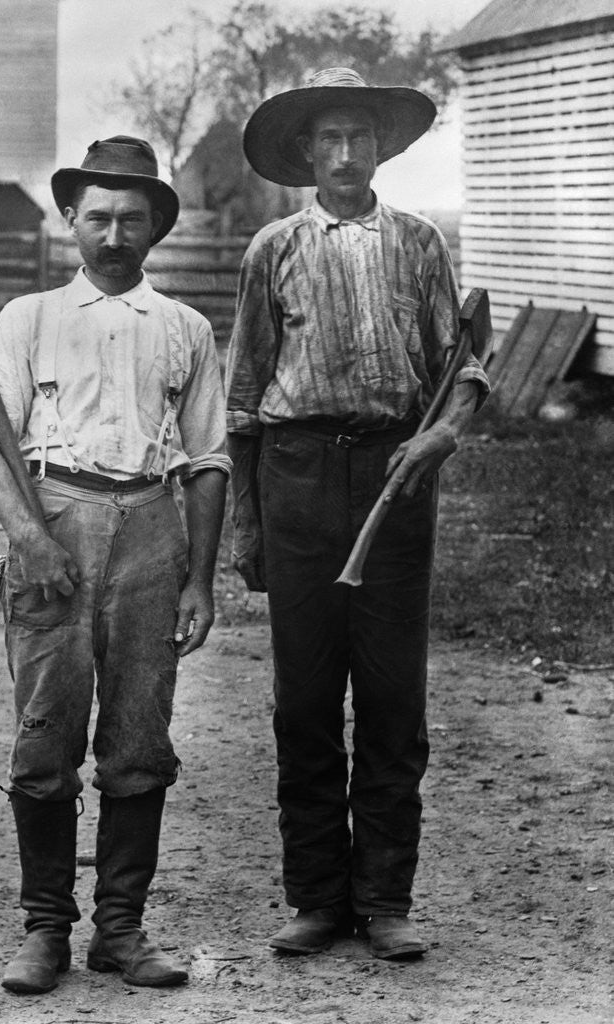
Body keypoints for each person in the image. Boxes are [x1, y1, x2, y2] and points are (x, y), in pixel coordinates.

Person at [225, 68, 490, 961]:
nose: (344, 154)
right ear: (306, 152)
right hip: (297, 478)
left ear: (381, 148)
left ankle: (384, 900)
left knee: (389, 698)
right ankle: (316, 899)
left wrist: (440, 439)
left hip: (396, 479)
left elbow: (465, 370)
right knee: (304, 702)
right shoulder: (273, 249)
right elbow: (244, 397)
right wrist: (249, 527)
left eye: (360, 137)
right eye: (328, 139)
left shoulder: (419, 245)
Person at [0, 136, 230, 994]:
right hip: (54, 529)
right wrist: (31, 539)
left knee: (139, 740)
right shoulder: (27, 319)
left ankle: (121, 929)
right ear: (72, 219)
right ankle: (45, 929)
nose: (114, 234)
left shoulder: (185, 329)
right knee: (45, 735)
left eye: (132, 219)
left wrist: (199, 577)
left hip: (152, 532)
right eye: (99, 217)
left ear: (155, 230)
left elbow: (210, 459)